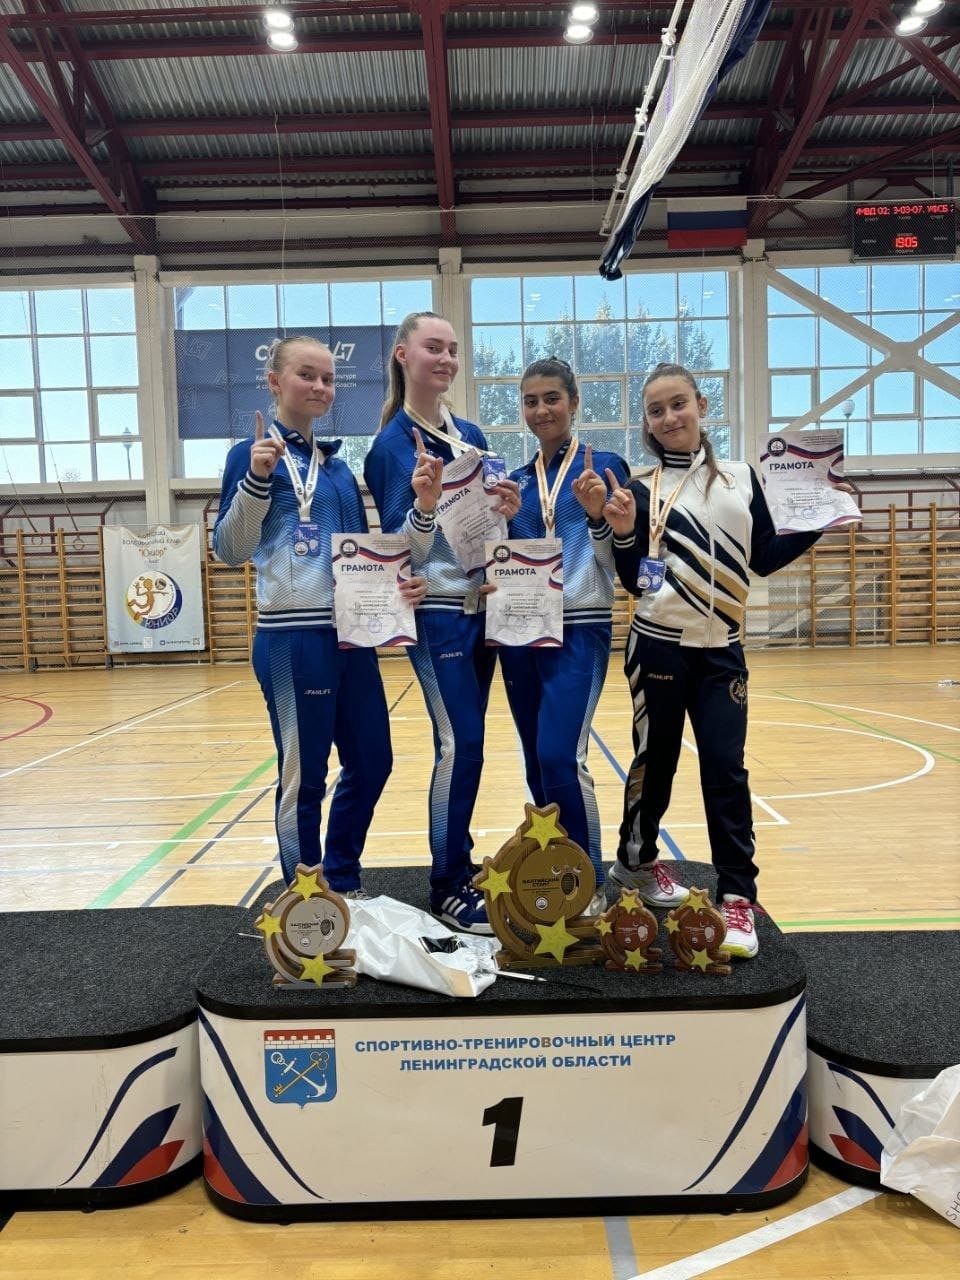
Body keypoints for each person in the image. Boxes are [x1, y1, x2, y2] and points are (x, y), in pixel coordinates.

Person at [596, 362, 838, 958]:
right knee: (656, 761)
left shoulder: (742, 478)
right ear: (647, 422)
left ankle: (738, 896)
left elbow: (763, 556)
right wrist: (622, 530)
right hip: (657, 645)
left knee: (726, 770)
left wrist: (820, 519)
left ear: (701, 406)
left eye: (678, 404)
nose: (669, 417)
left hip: (723, 649)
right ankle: (635, 863)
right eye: (656, 410)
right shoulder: (643, 487)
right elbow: (635, 580)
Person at [213, 336, 426, 893]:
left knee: (373, 761)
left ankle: (341, 879)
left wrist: (399, 584)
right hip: (293, 637)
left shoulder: (338, 470)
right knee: (304, 777)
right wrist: (257, 481)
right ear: (274, 382)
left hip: (351, 636)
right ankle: (304, 899)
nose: (319, 387)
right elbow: (230, 549)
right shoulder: (250, 454)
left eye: (328, 379)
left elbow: (362, 558)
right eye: (306, 375)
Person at [364, 311, 521, 934]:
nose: (447, 359)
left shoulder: (472, 435)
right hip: (436, 614)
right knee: (462, 744)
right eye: (434, 347)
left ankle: (458, 861)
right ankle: (447, 884)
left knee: (466, 746)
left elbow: (488, 529)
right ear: (403, 355)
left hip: (483, 609)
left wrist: (508, 514)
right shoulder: (390, 447)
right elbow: (402, 549)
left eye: (453, 349)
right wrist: (425, 507)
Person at [497, 358, 629, 912]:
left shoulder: (607, 467)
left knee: (559, 755)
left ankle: (589, 882)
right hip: (520, 632)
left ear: (574, 402)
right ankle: (558, 868)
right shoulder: (518, 481)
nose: (541, 410)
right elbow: (507, 564)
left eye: (551, 398)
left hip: (579, 625)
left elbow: (624, 560)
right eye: (530, 401)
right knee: (536, 760)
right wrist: (501, 526)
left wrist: (598, 516)